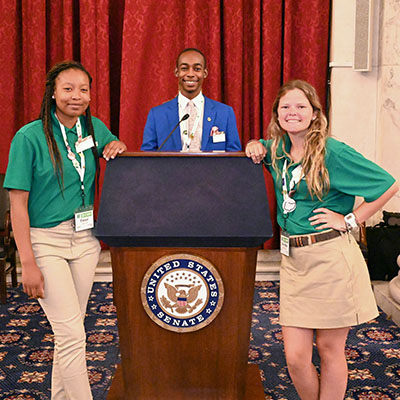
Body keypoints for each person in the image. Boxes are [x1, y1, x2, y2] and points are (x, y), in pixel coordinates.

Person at [245, 80, 398, 400]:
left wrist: (350, 219)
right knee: (296, 358)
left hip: (329, 258)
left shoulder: (332, 152)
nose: (293, 113)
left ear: (315, 114)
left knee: (329, 349)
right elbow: (257, 146)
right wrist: (253, 144)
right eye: (285, 107)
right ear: (276, 114)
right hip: (294, 262)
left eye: (301, 106)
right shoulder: (277, 150)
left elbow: (387, 184)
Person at [3, 60, 127, 399]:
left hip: (86, 240)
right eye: (68, 89)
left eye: (83, 89)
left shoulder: (93, 127)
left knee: (69, 331)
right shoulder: (28, 137)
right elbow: (18, 205)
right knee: (72, 333)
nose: (77, 96)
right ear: (53, 93)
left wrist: (116, 145)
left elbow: (112, 145)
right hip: (46, 242)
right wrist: (26, 262)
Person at [141, 47, 242, 152]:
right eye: (184, 68)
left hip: (212, 169)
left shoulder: (225, 113)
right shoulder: (157, 114)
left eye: (197, 69)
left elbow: (233, 156)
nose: (190, 74)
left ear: (205, 73)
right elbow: (147, 157)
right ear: (177, 72)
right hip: (170, 169)